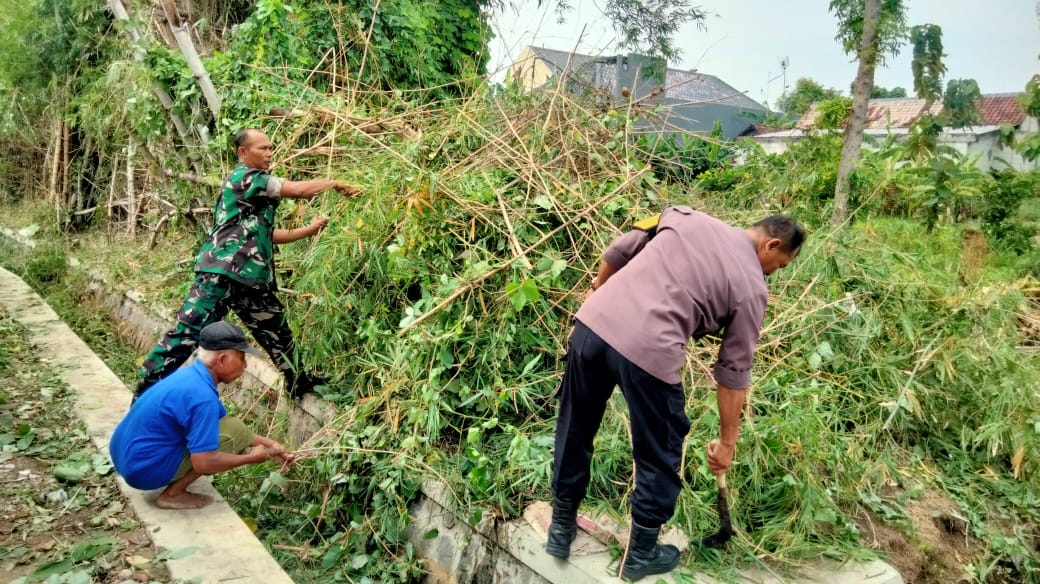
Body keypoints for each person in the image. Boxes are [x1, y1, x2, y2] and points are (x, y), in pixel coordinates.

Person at [545, 206, 804, 580]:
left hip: (591, 326)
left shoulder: (685, 217)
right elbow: (733, 372)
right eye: (778, 267)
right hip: (649, 350)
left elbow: (619, 250)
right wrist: (727, 443)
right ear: (772, 245)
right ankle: (641, 554)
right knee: (660, 449)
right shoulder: (752, 288)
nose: (771, 274)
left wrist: (600, 291)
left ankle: (560, 528)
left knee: (576, 425)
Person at [135, 128, 361, 398]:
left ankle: (299, 383)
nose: (269, 153)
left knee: (276, 332)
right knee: (186, 335)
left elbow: (266, 234)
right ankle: (144, 394)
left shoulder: (253, 190)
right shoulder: (246, 178)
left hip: (249, 280)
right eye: (262, 148)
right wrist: (334, 183)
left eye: (270, 148)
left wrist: (310, 230)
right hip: (221, 275)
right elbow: (299, 190)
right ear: (243, 152)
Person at [110, 321, 295, 509]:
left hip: (126, 458)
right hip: (143, 472)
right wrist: (251, 458)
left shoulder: (191, 376)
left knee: (233, 429)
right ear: (221, 360)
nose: (245, 365)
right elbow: (204, 463)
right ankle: (173, 495)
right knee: (226, 438)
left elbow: (223, 423)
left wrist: (271, 445)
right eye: (241, 358)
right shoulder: (203, 398)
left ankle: (169, 477)